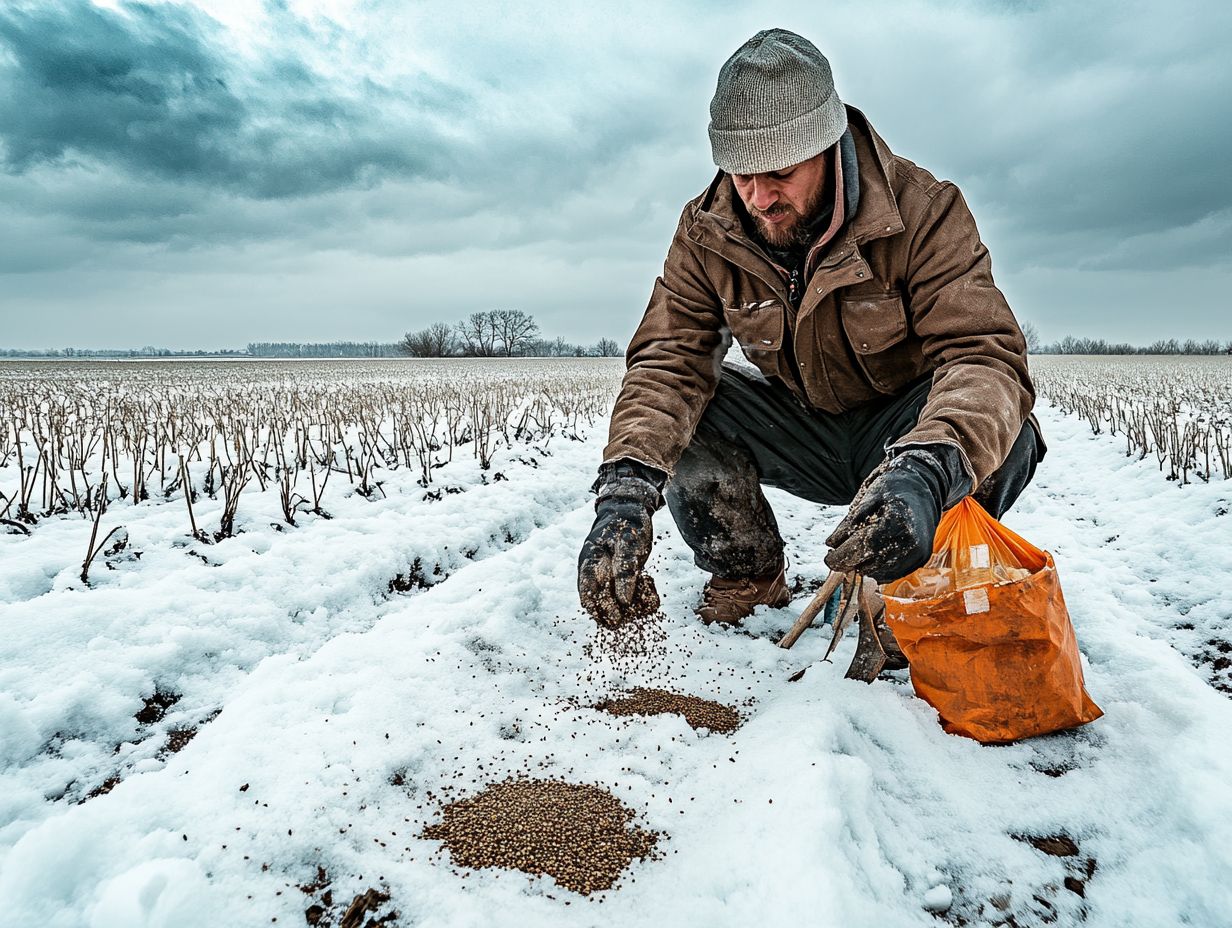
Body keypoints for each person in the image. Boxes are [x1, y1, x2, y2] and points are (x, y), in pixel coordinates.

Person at [578, 28, 1044, 627]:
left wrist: (927, 471)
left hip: (902, 429)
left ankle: (918, 581)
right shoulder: (706, 232)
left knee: (1004, 432)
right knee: (691, 408)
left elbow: (985, 355)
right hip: (803, 431)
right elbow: (669, 359)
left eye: (780, 173)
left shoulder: (926, 210)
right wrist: (625, 493)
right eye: (742, 175)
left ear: (827, 146)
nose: (759, 196)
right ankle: (748, 572)